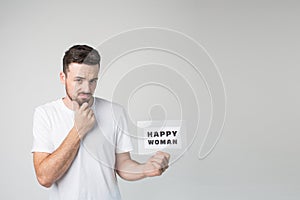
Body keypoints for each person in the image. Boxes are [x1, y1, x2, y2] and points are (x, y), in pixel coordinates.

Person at [32, 44, 170, 200]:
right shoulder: (45, 114)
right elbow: (44, 178)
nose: (87, 89)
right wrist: (78, 130)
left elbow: (122, 164)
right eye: (79, 80)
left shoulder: (115, 112)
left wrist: (145, 169)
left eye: (93, 81)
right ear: (63, 78)